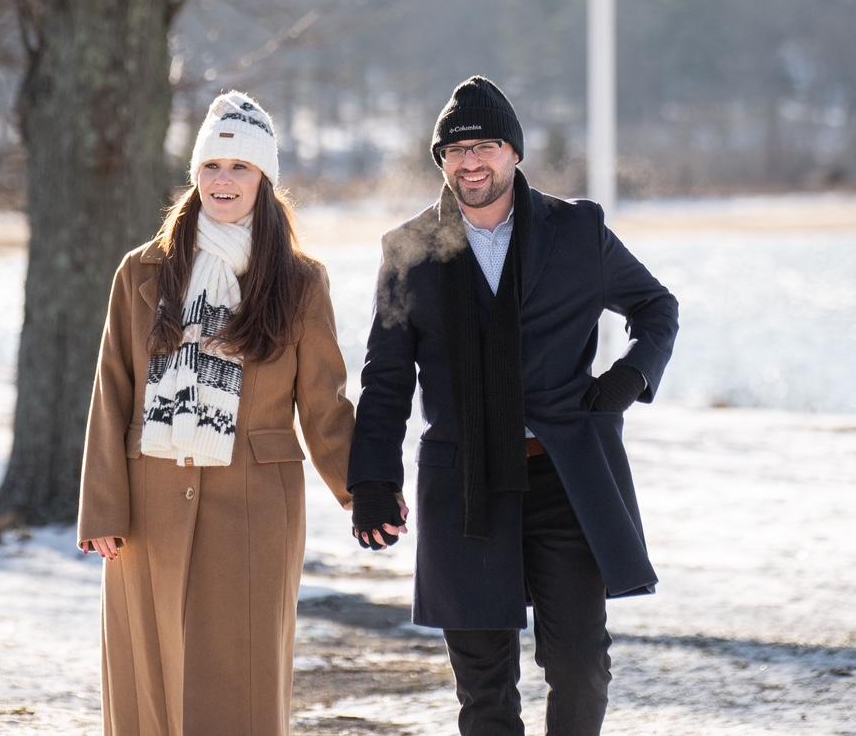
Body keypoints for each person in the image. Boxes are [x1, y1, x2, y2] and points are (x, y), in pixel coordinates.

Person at [348, 76, 679, 736]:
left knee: (580, 664)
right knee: (485, 690)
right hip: (464, 484)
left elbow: (656, 307)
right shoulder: (409, 252)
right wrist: (374, 483)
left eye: (485, 146)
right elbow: (385, 380)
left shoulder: (577, 231)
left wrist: (629, 378)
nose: (470, 162)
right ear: (441, 161)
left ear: (514, 152)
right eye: (455, 150)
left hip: (564, 477)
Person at [77, 90, 355, 736]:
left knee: (242, 680)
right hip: (147, 508)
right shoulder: (141, 272)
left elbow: (325, 404)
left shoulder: (299, 282)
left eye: (240, 167)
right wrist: (102, 509)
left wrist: (364, 491)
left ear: (264, 179)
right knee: (150, 675)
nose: (223, 180)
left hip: (255, 505)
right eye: (212, 165)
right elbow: (112, 391)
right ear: (195, 172)